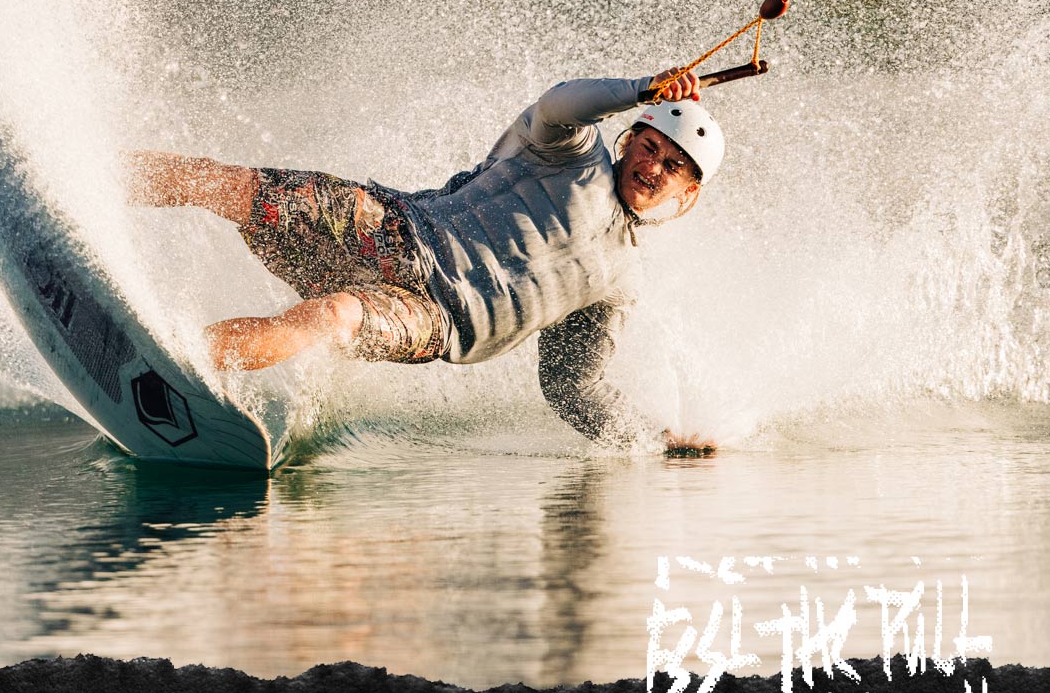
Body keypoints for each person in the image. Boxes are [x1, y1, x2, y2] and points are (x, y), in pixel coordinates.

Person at [123, 67, 721, 453]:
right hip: (397, 230)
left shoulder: (621, 283)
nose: (653, 168)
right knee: (233, 187)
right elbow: (560, 102)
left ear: (687, 194)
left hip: (436, 319)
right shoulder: (572, 153)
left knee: (331, 317)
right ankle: (89, 175)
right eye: (649, 147)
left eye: (673, 168)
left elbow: (573, 387)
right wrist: (640, 89)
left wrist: (655, 441)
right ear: (630, 139)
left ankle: (171, 370)